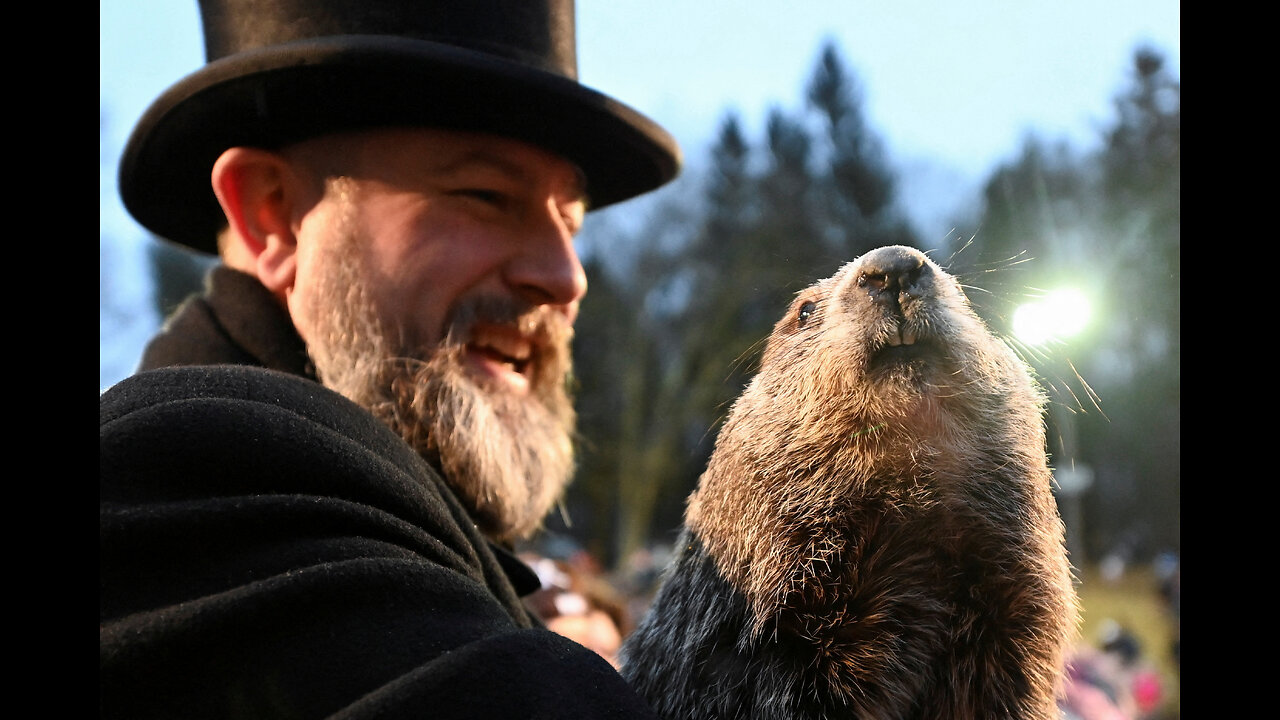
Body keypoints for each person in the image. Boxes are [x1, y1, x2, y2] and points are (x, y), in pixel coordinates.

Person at [99, 1, 681, 717]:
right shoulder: (186, 464)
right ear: (272, 214)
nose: (567, 279)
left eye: (570, 224)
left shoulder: (412, 540)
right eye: (487, 196)